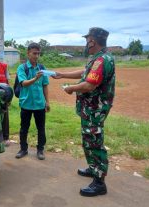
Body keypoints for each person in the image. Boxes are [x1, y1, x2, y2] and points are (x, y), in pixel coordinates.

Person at [53, 27, 115, 196]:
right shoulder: (97, 59)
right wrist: (62, 74)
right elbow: (85, 73)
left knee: (94, 141)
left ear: (92, 41)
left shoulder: (102, 60)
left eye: (87, 40)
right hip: (91, 109)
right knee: (89, 139)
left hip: (95, 109)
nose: (86, 43)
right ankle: (93, 168)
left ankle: (99, 182)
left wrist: (71, 88)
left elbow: (89, 85)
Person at [15, 42, 50, 160]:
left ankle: (40, 150)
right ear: (28, 53)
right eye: (34, 53)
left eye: (38, 53)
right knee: (24, 128)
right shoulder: (22, 67)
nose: (37, 56)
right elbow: (23, 83)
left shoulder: (42, 68)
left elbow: (45, 85)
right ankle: (23, 149)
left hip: (40, 104)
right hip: (26, 103)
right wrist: (35, 78)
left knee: (41, 128)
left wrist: (47, 101)